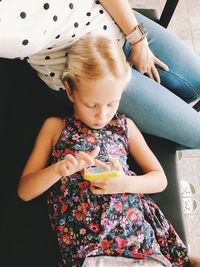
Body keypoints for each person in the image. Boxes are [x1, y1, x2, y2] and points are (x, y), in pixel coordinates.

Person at [17, 35, 189, 267]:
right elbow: (25, 191)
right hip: (89, 249)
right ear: (70, 91)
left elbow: (159, 180)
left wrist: (124, 183)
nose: (102, 115)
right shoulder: (55, 127)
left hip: (134, 240)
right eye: (91, 105)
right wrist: (59, 169)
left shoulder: (124, 126)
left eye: (112, 103)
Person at [1, 0, 200, 148]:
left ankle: (168, 140)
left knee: (196, 85)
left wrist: (137, 39)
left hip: (116, 25)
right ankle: (165, 146)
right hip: (82, 77)